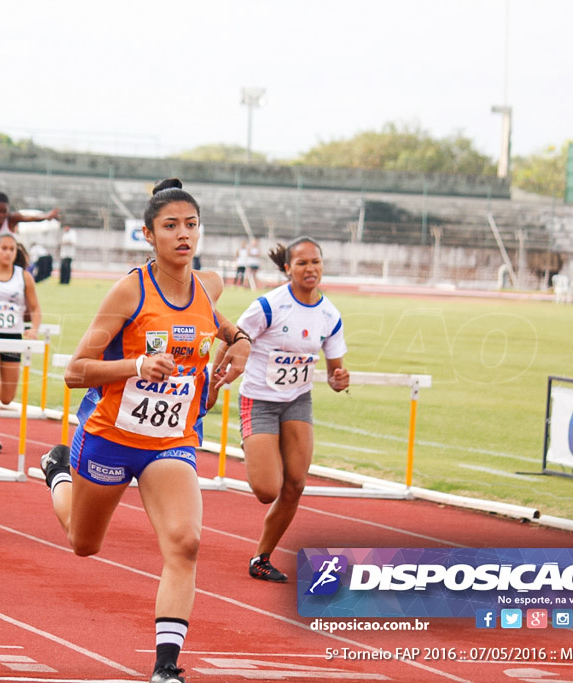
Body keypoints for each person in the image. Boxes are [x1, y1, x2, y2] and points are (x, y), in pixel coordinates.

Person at [38, 179, 250, 683]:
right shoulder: (131, 289)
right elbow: (74, 372)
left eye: (191, 225)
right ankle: (58, 473)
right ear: (149, 235)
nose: (183, 235)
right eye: (170, 226)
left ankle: (166, 667)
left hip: (170, 442)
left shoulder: (209, 286)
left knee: (186, 542)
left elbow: (218, 324)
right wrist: (135, 367)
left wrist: (238, 342)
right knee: (83, 543)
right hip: (110, 435)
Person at [233, 238, 349, 583]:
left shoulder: (330, 315)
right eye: (301, 263)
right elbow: (234, 339)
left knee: (296, 484)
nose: (310, 269)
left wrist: (339, 379)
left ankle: (262, 558)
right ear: (288, 268)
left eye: (315, 262)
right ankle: (255, 446)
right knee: (267, 490)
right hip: (259, 398)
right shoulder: (269, 306)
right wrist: (216, 379)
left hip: (297, 399)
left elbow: (334, 372)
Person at [0, 234, 41, 453]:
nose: (8, 253)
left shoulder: (23, 277)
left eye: (12, 249)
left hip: (12, 338)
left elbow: (35, 307)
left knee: (6, 397)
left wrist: (34, 328)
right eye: (4, 248)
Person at [0, 191, 58, 265]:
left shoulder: (11, 220)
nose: (1, 215)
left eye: (4, 211)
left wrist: (45, 216)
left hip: (1, 262)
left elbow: (28, 217)